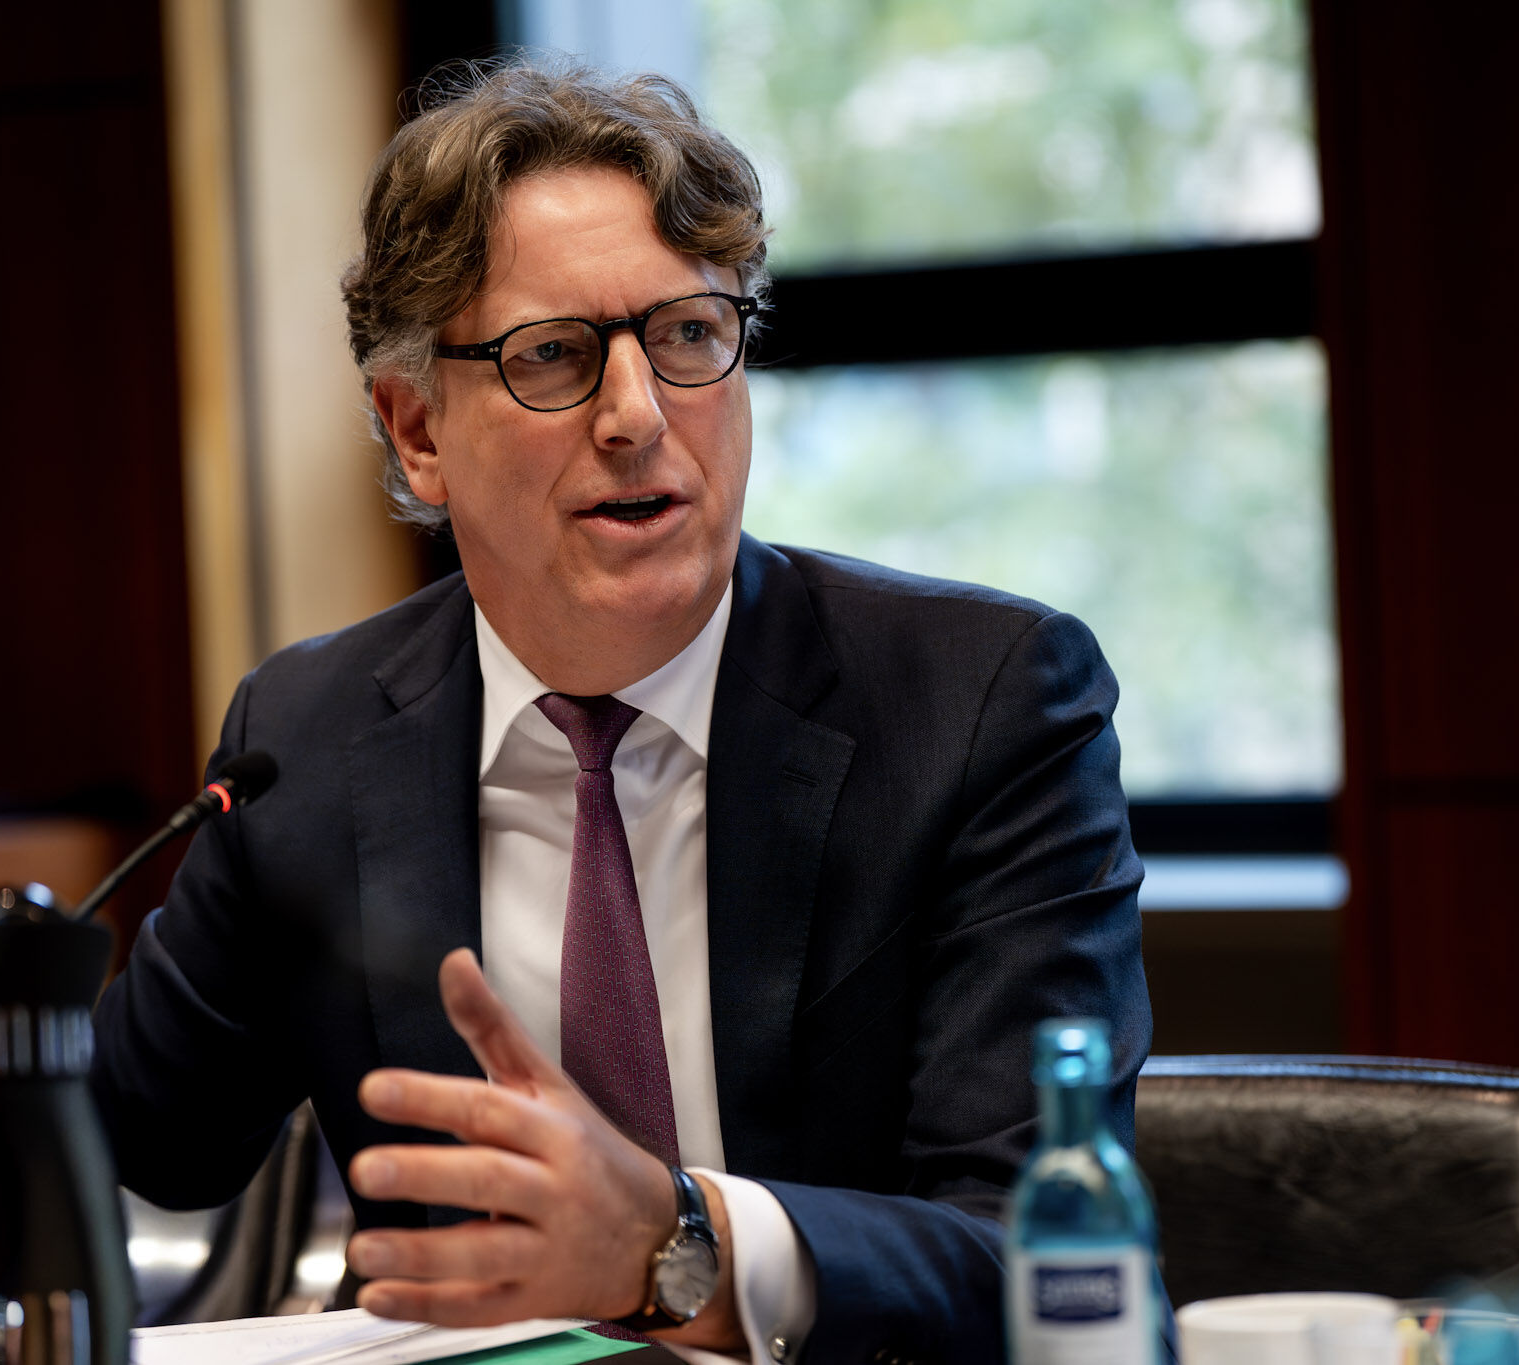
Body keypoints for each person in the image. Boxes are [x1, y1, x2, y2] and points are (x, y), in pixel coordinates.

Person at [92, 61, 1152, 1365]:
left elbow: (1034, 1257)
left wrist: (673, 1242)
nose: (639, 416)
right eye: (553, 355)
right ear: (416, 429)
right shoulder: (307, 739)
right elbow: (130, 1147)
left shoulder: (982, 705)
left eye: (690, 334)